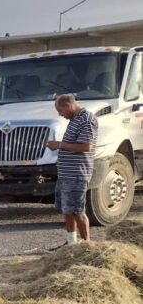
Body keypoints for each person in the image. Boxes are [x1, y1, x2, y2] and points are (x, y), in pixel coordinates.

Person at [46, 94, 98, 245]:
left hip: (77, 174)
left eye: (60, 111)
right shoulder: (75, 119)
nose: (60, 115)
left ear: (68, 105)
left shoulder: (86, 120)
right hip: (66, 173)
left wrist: (59, 145)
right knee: (67, 209)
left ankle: (86, 245)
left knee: (77, 210)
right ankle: (71, 243)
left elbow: (86, 146)